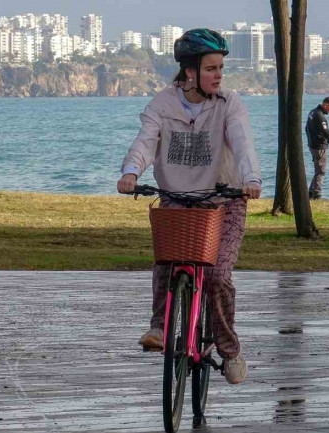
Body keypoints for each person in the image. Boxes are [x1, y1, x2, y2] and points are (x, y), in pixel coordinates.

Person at [116, 28, 262, 385]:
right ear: (190, 71)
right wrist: (131, 171)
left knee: (216, 276)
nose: (218, 75)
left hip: (223, 202)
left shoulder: (230, 104)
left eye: (221, 68)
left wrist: (251, 179)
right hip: (178, 200)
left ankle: (229, 349)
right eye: (211, 68)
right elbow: (145, 142)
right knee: (166, 262)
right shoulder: (162, 105)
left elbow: (242, 143)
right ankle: (160, 328)